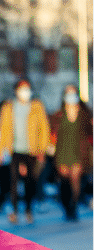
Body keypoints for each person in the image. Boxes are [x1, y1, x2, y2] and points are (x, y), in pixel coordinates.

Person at [0, 78, 50, 225]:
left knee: (30, 181)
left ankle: (28, 209)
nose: (25, 92)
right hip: (14, 150)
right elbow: (3, 130)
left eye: (27, 88)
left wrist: (42, 148)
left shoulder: (37, 106)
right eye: (22, 88)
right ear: (16, 91)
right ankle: (14, 210)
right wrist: (0, 151)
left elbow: (44, 128)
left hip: (32, 150)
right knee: (13, 181)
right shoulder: (8, 107)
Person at [50, 85, 92, 221]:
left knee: (75, 179)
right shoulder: (58, 114)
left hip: (79, 152)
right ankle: (66, 205)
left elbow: (90, 133)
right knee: (64, 182)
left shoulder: (85, 113)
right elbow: (53, 134)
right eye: (68, 93)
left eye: (73, 93)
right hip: (62, 151)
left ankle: (73, 206)